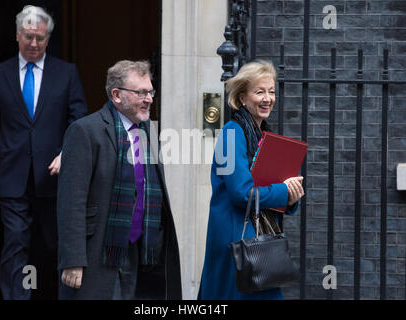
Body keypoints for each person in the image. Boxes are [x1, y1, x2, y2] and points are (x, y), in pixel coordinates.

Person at [0, 5, 88, 300]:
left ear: (48, 38)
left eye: (40, 37)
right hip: (11, 177)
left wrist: (67, 154)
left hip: (53, 176)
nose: (34, 44)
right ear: (16, 35)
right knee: (15, 243)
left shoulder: (67, 73)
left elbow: (79, 123)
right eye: (28, 37)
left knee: (52, 245)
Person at [57, 60, 182, 300]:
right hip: (99, 252)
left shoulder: (149, 133)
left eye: (150, 92)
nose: (149, 99)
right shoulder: (85, 131)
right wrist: (72, 260)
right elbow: (70, 202)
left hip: (142, 253)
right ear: (116, 95)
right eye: (141, 92)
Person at [198, 61, 305, 300]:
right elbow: (241, 193)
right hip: (235, 240)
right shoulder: (231, 132)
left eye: (271, 91)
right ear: (242, 98)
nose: (268, 98)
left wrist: (291, 196)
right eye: (260, 92)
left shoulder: (263, 134)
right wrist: (284, 192)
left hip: (254, 239)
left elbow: (269, 187)